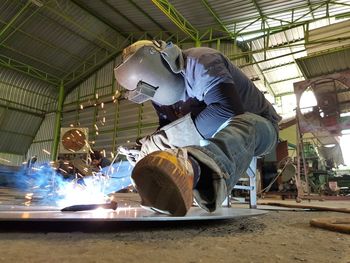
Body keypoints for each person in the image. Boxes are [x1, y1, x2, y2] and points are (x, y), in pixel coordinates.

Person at [114, 40, 281, 216]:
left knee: (247, 122)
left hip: (261, 127)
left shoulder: (201, 61)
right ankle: (163, 192)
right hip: (211, 136)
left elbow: (227, 111)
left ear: (166, 61)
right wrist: (148, 148)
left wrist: (162, 142)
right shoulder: (158, 95)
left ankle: (192, 172)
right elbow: (169, 129)